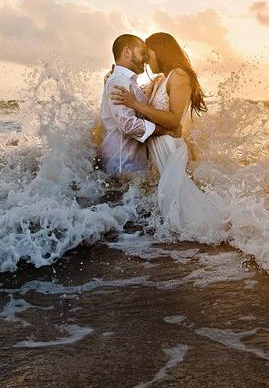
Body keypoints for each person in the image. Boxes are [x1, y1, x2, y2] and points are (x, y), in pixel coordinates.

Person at [110, 33, 224, 241]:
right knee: (170, 205)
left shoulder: (179, 75)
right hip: (159, 149)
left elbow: (173, 121)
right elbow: (140, 100)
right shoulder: (160, 79)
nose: (145, 60)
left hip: (170, 148)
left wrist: (135, 104)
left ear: (159, 52)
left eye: (148, 54)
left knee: (183, 212)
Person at [96, 34, 160, 177]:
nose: (146, 58)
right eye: (142, 53)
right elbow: (128, 125)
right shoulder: (119, 81)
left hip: (128, 165)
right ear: (126, 52)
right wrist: (162, 130)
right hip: (121, 166)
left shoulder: (127, 81)